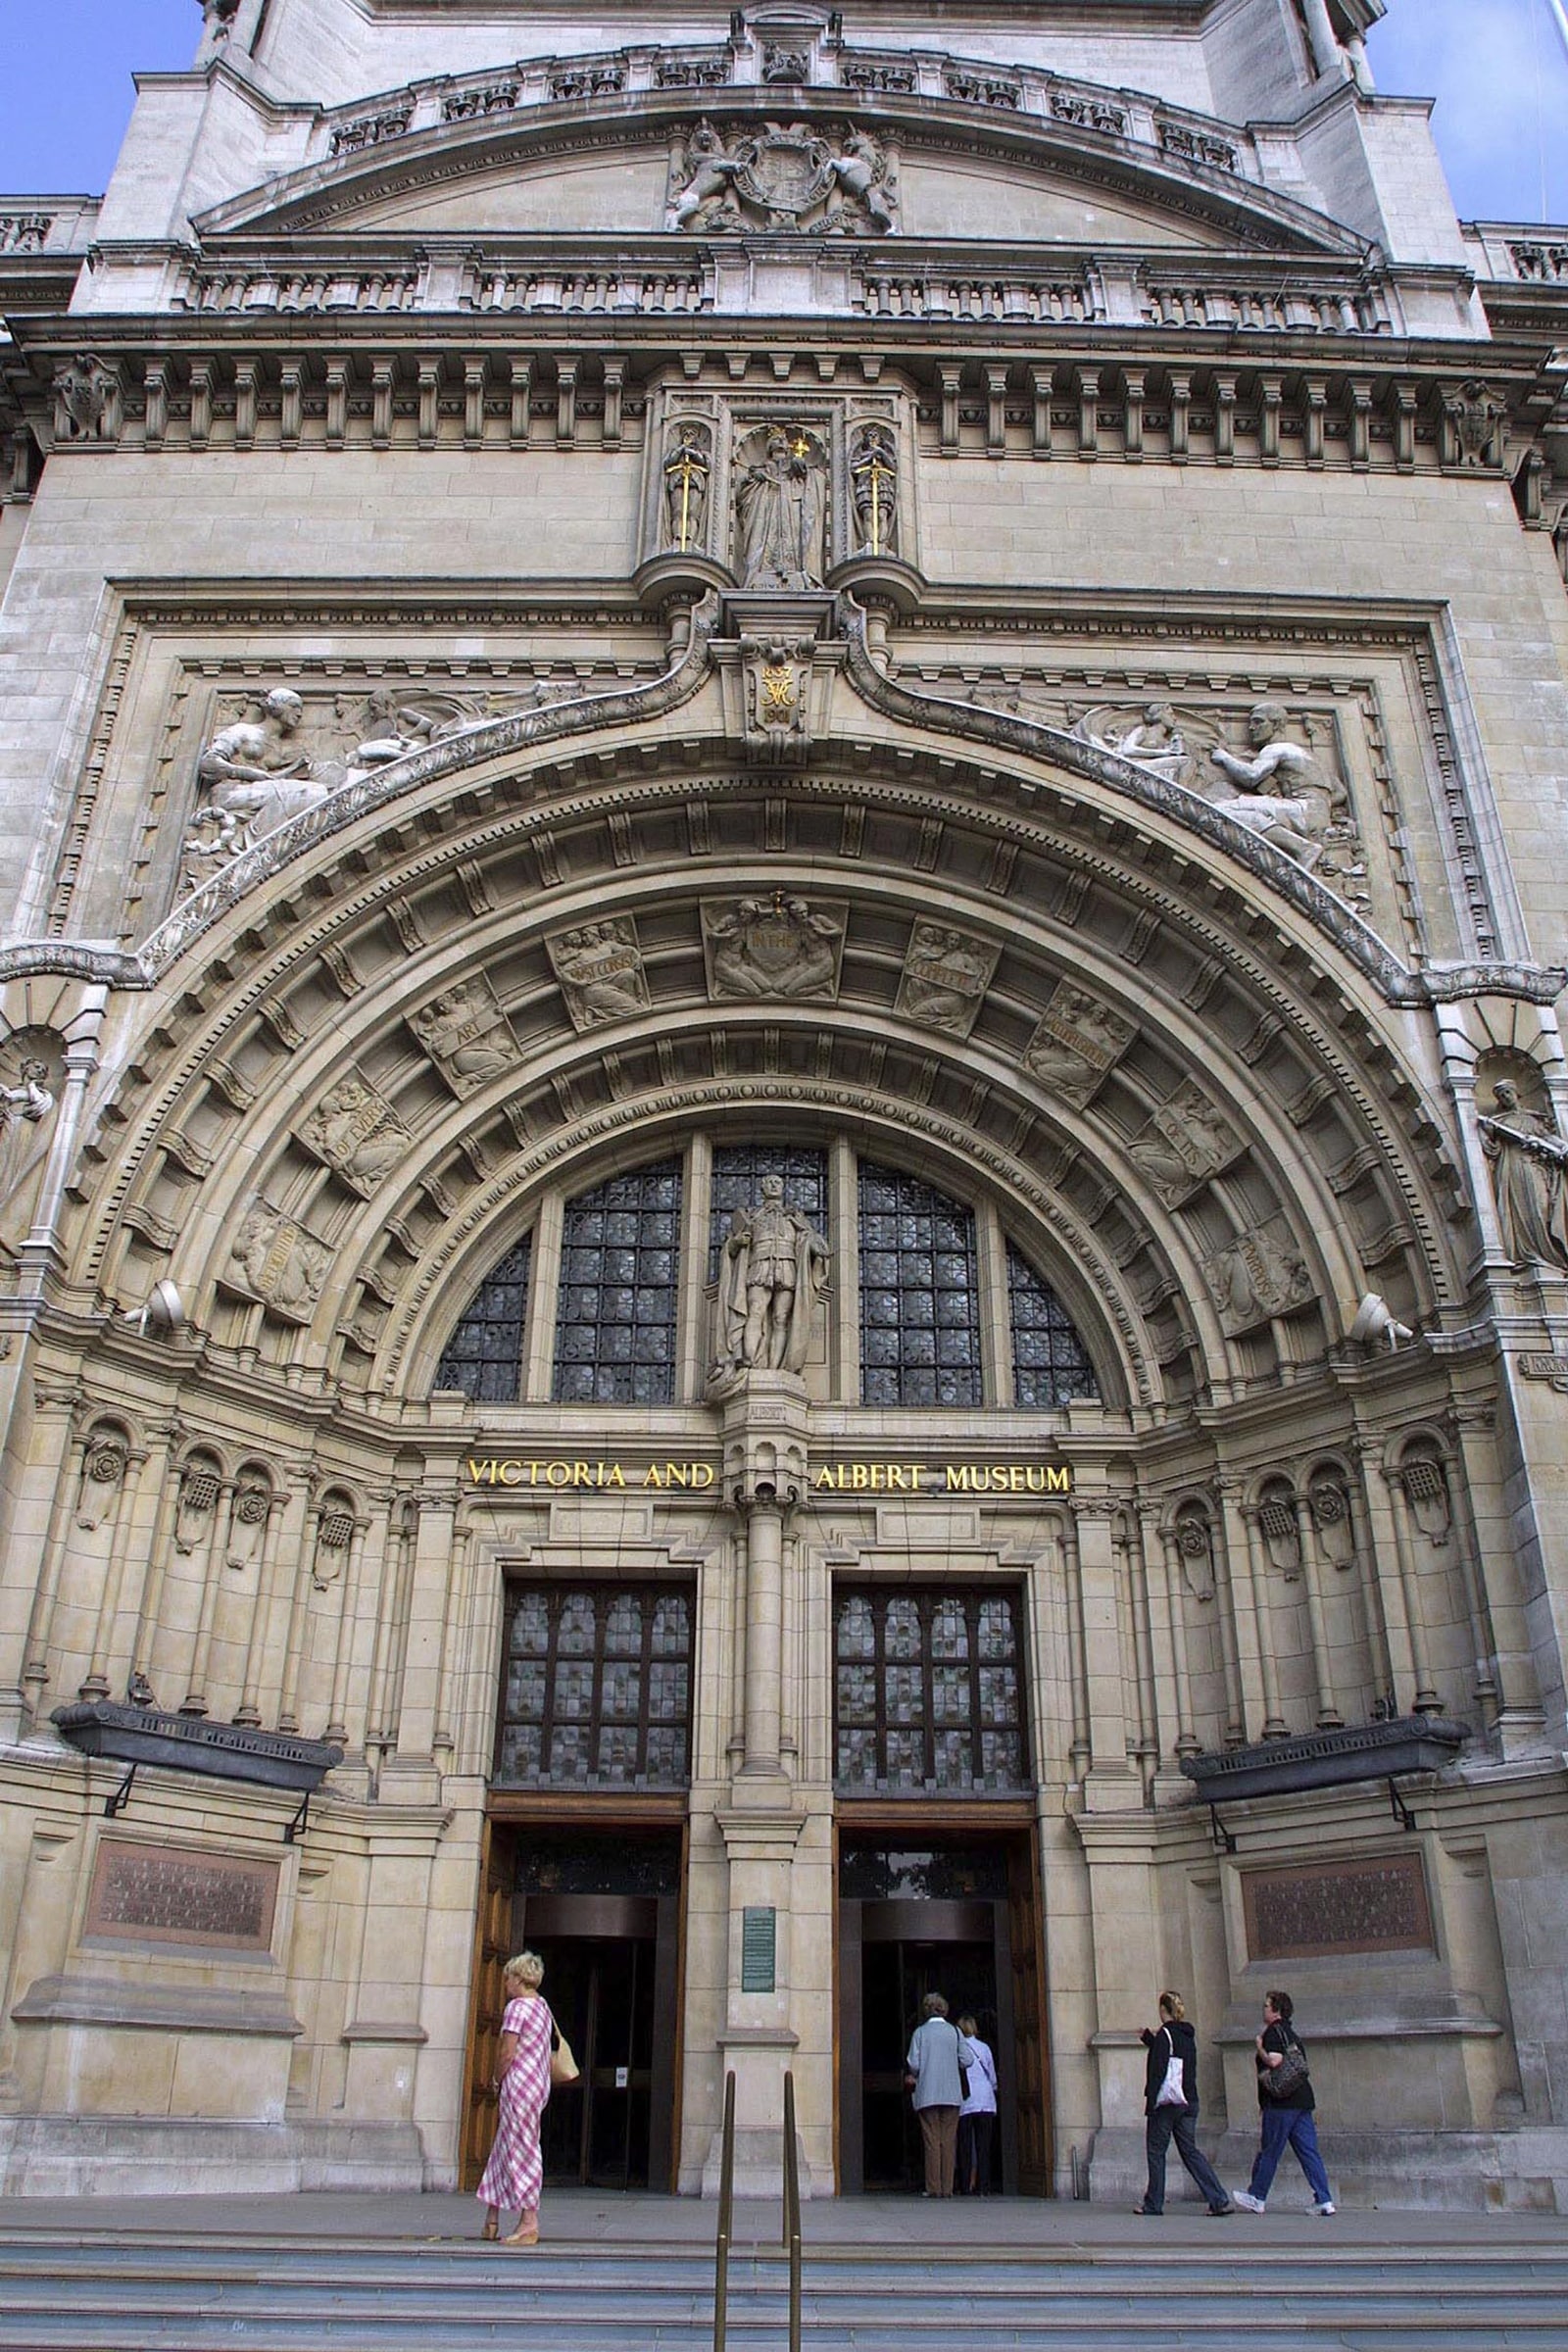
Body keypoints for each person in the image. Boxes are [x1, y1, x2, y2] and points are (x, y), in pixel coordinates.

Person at [477, 1950, 556, 2246]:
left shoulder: (517, 2008)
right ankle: (491, 2218)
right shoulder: (543, 2007)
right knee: (504, 2146)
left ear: (519, 1978)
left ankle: (528, 2221)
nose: (505, 1983)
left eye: (508, 1977)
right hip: (538, 2085)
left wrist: (497, 2079)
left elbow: (507, 2052)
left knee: (523, 2149)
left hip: (519, 2086)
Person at [1232, 1988, 1336, 2215]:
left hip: (1281, 2102)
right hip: (1302, 2099)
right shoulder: (1291, 2033)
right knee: (1309, 2152)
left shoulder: (1272, 2032)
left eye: (1266, 2005)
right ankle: (1324, 2199)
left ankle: (1257, 2196)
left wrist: (1259, 2047)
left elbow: (1274, 2061)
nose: (1263, 2009)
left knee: (1270, 2150)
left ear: (1276, 2010)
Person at [1137, 1990, 1233, 2218]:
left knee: (1156, 2152)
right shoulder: (1187, 2035)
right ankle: (1218, 2198)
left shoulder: (1165, 2034)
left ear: (1163, 2010)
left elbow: (1160, 2070)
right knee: (1190, 2151)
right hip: (1189, 2100)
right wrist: (1150, 2040)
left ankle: (1154, 2203)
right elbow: (1177, 2060)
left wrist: (1151, 2103)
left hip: (1167, 2103)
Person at [905, 1989, 964, 2197]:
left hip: (928, 2092)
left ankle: (933, 2187)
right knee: (948, 2141)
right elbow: (966, 2059)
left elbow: (914, 2063)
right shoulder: (955, 2031)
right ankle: (947, 2188)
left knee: (931, 2141)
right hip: (951, 2093)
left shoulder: (920, 2033)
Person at [956, 2014, 998, 2195]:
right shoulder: (984, 2048)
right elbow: (992, 2075)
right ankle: (984, 2186)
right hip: (985, 2100)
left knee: (965, 2146)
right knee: (983, 2146)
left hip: (966, 2100)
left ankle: (965, 2185)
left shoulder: (958, 2049)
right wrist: (993, 2088)